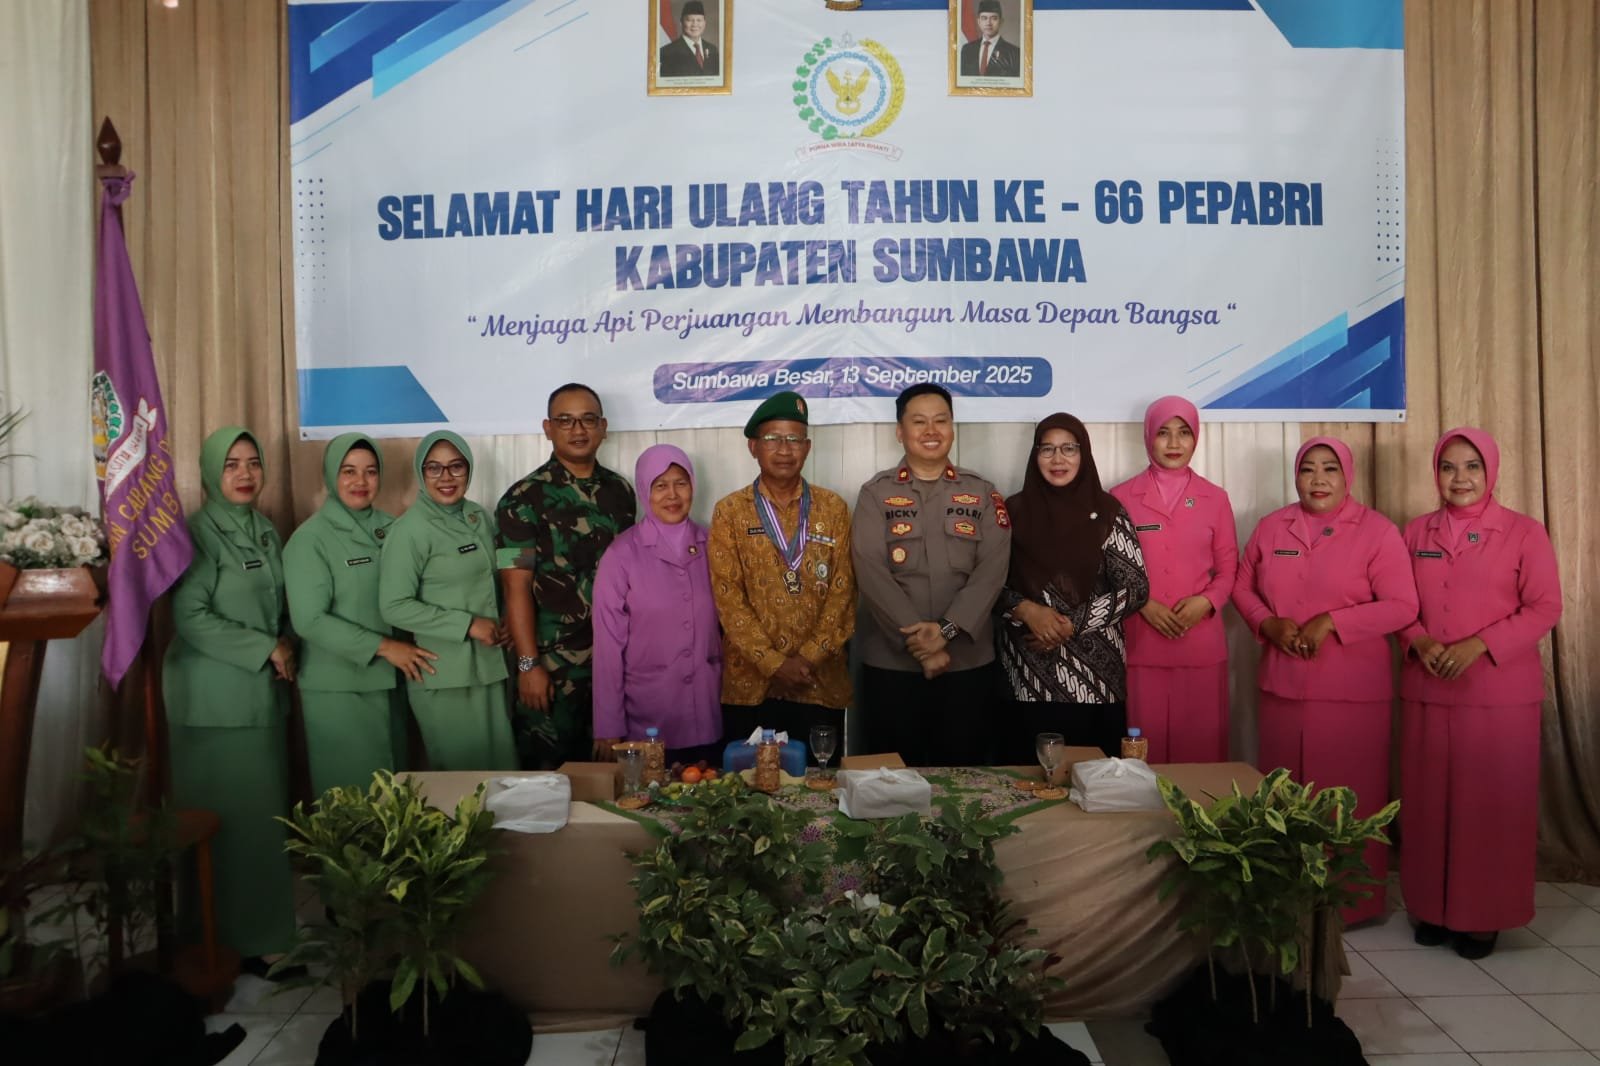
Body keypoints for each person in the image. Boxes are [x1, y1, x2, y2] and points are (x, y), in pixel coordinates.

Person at [1232, 436, 1417, 925]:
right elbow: (1240, 586)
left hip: (1352, 694)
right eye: (1308, 468)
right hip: (1283, 687)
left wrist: (1333, 621)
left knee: (1346, 801)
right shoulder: (1272, 527)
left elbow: (1403, 606)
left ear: (1347, 475)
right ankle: (1290, 901)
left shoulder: (1377, 531)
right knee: (1286, 799)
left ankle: (1349, 906)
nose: (1317, 479)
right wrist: (1267, 623)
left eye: (1330, 468)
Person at [1399, 428, 1561, 959]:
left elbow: (1545, 606)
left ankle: (1483, 916)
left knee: (1488, 806)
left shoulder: (1523, 532)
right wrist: (1418, 640)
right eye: (1448, 466)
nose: (1460, 478)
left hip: (1498, 694)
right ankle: (1431, 907)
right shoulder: (1415, 532)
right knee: (1429, 804)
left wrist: (1480, 645)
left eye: (1472, 466)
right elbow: (1398, 603)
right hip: (1429, 686)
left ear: (1491, 471)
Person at [162, 426, 297, 976]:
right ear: (209, 472)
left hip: (257, 696)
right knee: (224, 827)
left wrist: (286, 640)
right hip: (212, 703)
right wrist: (266, 647)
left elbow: (276, 604)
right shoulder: (195, 534)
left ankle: (259, 936)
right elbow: (190, 616)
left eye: (252, 462)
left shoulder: (264, 531)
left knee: (260, 824)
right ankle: (220, 940)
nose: (244, 474)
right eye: (231, 464)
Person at [852, 384, 1011, 767]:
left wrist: (946, 632)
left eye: (940, 421)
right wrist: (921, 643)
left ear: (952, 429)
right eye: (919, 422)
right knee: (888, 781)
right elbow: (869, 569)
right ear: (900, 431)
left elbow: (992, 570)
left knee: (965, 780)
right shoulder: (875, 494)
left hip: (966, 665)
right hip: (891, 666)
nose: (931, 431)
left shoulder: (982, 492)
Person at [285, 435, 438, 796]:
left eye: (370, 471)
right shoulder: (310, 539)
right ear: (330, 475)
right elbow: (309, 620)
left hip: (394, 682)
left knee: (395, 801)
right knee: (352, 803)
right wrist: (386, 647)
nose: (361, 481)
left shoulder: (394, 527)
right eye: (349, 471)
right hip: (340, 690)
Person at [708, 392, 855, 756]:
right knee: (749, 785)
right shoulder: (730, 511)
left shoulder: (833, 508)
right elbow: (728, 598)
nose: (784, 450)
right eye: (773, 439)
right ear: (753, 447)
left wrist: (806, 659)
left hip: (819, 681)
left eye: (794, 439)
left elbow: (844, 592)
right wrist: (774, 663)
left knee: (820, 783)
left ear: (807, 447)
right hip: (750, 685)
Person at [496, 383, 634, 769]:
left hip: (613, 668)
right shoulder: (520, 500)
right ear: (548, 428)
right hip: (551, 672)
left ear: (603, 427)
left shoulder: (621, 492)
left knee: (614, 781)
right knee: (547, 782)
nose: (578, 429)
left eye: (588, 419)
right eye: (565, 420)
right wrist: (528, 666)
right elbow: (515, 586)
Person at [999, 414, 1149, 759]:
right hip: (1027, 676)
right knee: (1026, 780)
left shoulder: (1109, 512)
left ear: (1084, 454)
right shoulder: (1012, 511)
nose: (1058, 459)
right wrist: (1027, 611)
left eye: (1069, 448)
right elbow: (989, 582)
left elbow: (1135, 588)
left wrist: (1071, 624)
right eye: (1047, 449)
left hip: (1096, 681)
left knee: (1095, 781)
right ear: (1035, 455)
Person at [1110, 397, 1238, 762]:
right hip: (1140, 643)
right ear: (1148, 436)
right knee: (1141, 755)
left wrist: (1207, 601)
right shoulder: (1120, 498)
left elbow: (1229, 568)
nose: (1174, 443)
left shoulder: (1215, 498)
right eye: (1163, 432)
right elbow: (1109, 568)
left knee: (1199, 754)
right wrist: (1142, 603)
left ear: (1196, 437)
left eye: (1184, 432)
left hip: (1200, 644)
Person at [379, 431, 516, 771]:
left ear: (468, 469)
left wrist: (512, 613)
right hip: (444, 673)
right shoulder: (409, 530)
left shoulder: (478, 516)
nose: (446, 477)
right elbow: (393, 605)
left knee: (502, 776)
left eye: (456, 466)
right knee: (462, 783)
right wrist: (467, 625)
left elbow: (505, 568)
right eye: (434, 468)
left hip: (489, 666)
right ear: (420, 472)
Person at [591, 446, 723, 766]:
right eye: (660, 485)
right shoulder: (621, 555)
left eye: (681, 483)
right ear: (643, 490)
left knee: (712, 793)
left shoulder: (715, 545)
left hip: (708, 711)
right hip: (648, 717)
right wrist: (608, 725)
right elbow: (608, 646)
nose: (672, 495)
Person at [959, 0, 1022, 78]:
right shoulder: (967, 49)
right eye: (984, 18)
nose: (988, 23)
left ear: (1001, 22)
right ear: (978, 21)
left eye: (994, 18)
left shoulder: (1014, 53)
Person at [659, 0, 720, 79]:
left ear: (705, 23)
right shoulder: (666, 52)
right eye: (689, 20)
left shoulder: (712, 49)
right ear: (681, 23)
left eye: (699, 20)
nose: (695, 24)